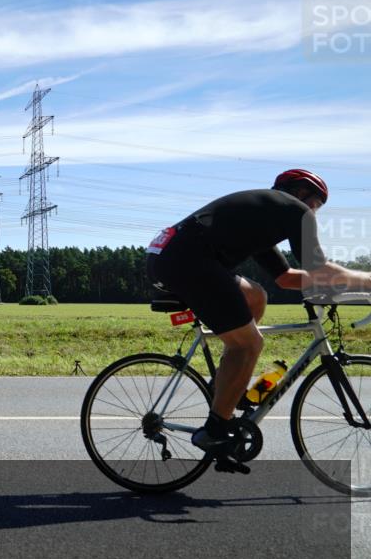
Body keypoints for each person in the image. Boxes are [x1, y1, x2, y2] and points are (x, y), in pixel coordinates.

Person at [145, 169, 371, 453]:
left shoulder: (260, 217)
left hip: (170, 256)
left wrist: (335, 286)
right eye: (316, 205)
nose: (314, 213)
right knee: (250, 343)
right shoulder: (295, 210)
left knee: (256, 297)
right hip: (187, 260)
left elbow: (287, 278)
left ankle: (226, 388)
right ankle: (215, 431)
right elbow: (319, 268)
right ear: (302, 194)